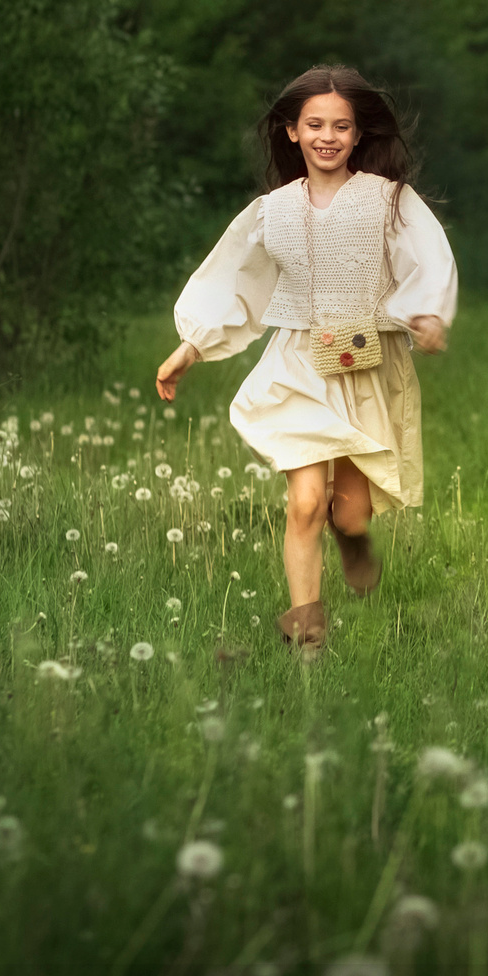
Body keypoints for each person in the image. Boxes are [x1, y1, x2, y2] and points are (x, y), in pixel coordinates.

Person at [155, 65, 457, 656]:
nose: (328, 136)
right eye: (315, 124)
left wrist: (427, 315)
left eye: (341, 126)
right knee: (306, 502)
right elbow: (235, 280)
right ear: (292, 131)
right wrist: (191, 346)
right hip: (298, 363)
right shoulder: (272, 210)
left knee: (349, 512)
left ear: (358, 134)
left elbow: (427, 258)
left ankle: (353, 535)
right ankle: (308, 639)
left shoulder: (389, 200)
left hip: (366, 361)